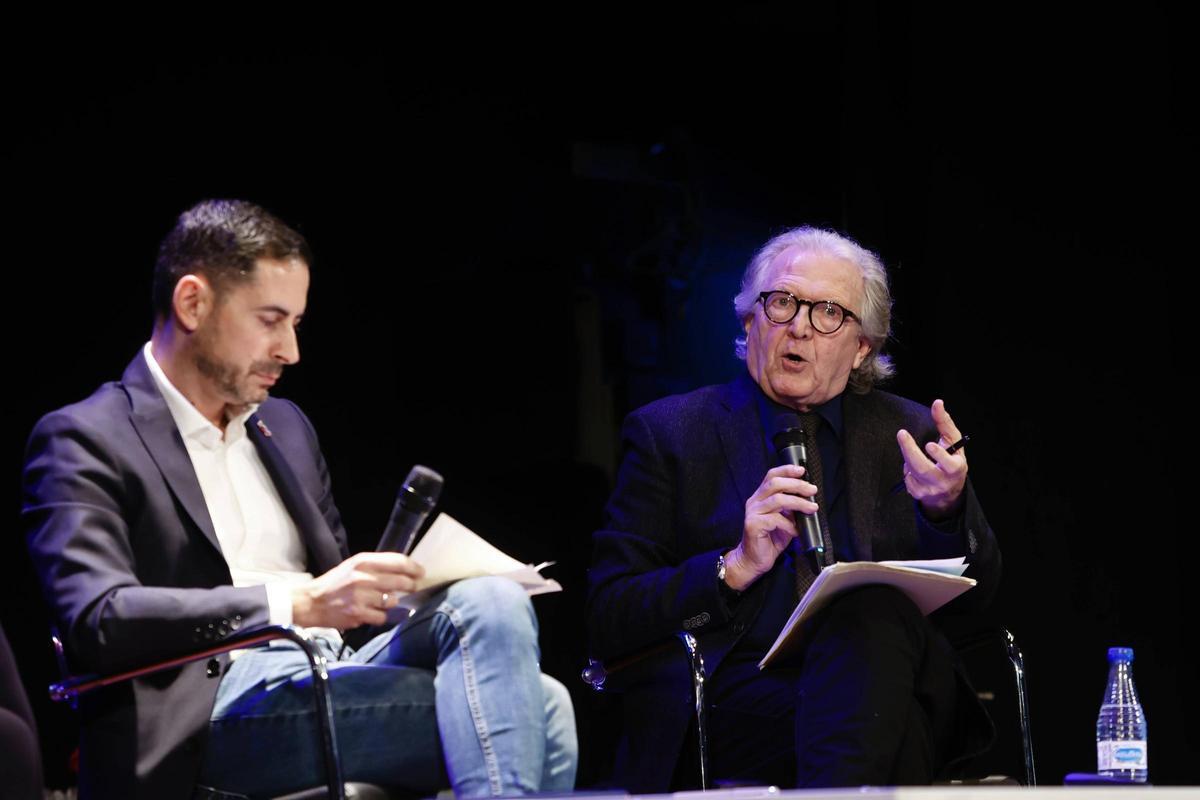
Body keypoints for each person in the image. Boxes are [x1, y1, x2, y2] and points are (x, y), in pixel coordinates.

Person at [23, 200, 577, 799]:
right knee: (541, 712)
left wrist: (386, 592)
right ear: (192, 304)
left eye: (296, 324)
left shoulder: (284, 427)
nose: (290, 350)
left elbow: (336, 606)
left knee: (494, 603)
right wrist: (294, 602)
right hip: (206, 710)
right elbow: (97, 620)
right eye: (270, 320)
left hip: (330, 668)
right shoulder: (86, 437)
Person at [587, 226, 1000, 791]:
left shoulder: (909, 432)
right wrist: (732, 568)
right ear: (749, 320)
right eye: (782, 302)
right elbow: (609, 616)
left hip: (895, 678)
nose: (800, 326)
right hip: (742, 696)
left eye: (829, 312)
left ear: (862, 347)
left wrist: (946, 511)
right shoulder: (671, 434)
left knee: (872, 612)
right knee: (896, 727)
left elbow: (981, 602)